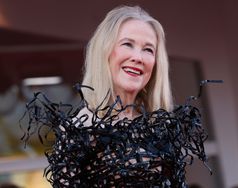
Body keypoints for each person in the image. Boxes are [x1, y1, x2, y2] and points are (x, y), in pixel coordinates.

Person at [22, 5, 209, 187]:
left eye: (148, 49)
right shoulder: (81, 129)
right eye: (128, 44)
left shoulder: (162, 127)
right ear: (104, 52)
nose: (138, 57)